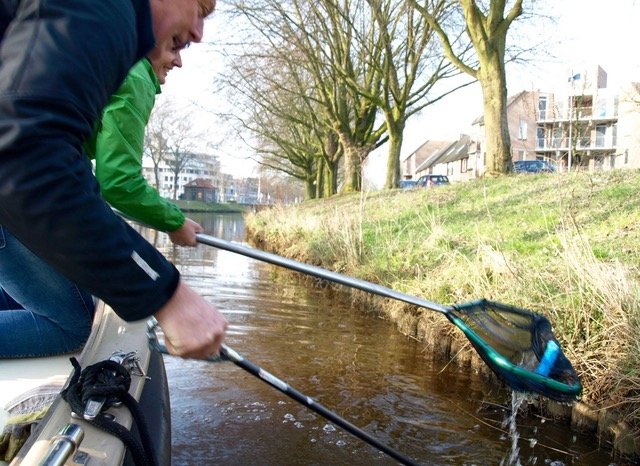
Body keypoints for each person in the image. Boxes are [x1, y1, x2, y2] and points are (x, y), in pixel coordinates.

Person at [0, 0, 227, 360]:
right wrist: (166, 293)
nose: (199, 34)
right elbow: (36, 157)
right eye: (200, 10)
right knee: (73, 324)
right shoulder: (110, 20)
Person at [84, 1, 216, 248]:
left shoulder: (107, 48)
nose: (179, 62)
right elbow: (118, 181)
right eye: (176, 44)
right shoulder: (137, 77)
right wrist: (174, 221)